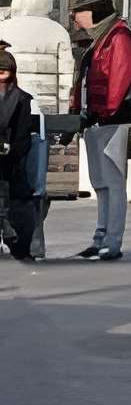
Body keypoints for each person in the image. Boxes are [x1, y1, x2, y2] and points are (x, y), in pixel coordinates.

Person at [4, 0, 73, 260]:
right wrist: (61, 117)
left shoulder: (3, 29)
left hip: (8, 115)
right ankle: (35, 240)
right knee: (37, 182)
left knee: (6, 176)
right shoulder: (58, 32)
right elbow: (65, 80)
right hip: (43, 120)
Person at [70, 0, 131, 261]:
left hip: (111, 120)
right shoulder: (101, 38)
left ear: (94, 12)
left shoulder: (118, 36)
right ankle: (100, 237)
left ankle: (112, 241)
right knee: (100, 182)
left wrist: (107, 112)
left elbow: (119, 79)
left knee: (112, 181)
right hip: (95, 119)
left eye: (79, 13)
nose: (76, 19)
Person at [0, 47, 42, 263]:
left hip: (13, 161)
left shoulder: (21, 99)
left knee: (20, 196)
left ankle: (21, 244)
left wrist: (12, 152)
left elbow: (22, 137)